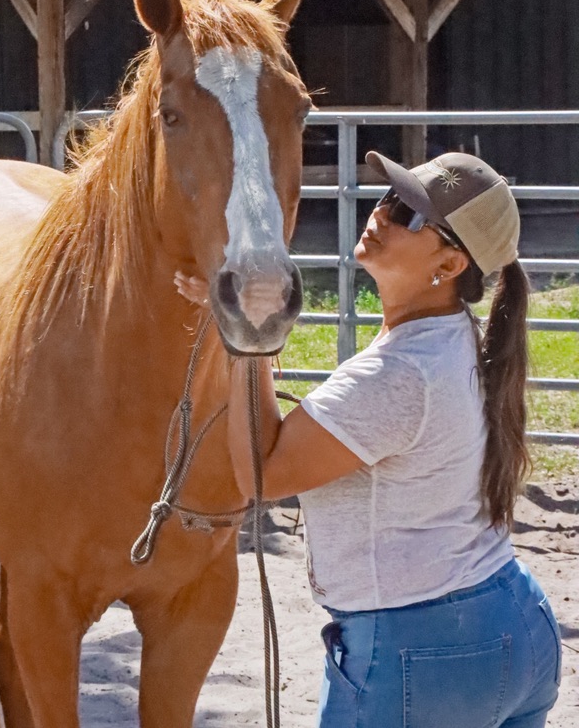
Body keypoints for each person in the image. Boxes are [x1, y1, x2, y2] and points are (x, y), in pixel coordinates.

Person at [175, 151, 562, 728]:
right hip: (515, 625)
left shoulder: (398, 374)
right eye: (389, 197)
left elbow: (261, 475)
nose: (382, 212)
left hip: (418, 650)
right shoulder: (457, 342)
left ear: (450, 264)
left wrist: (249, 335)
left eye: (408, 214)